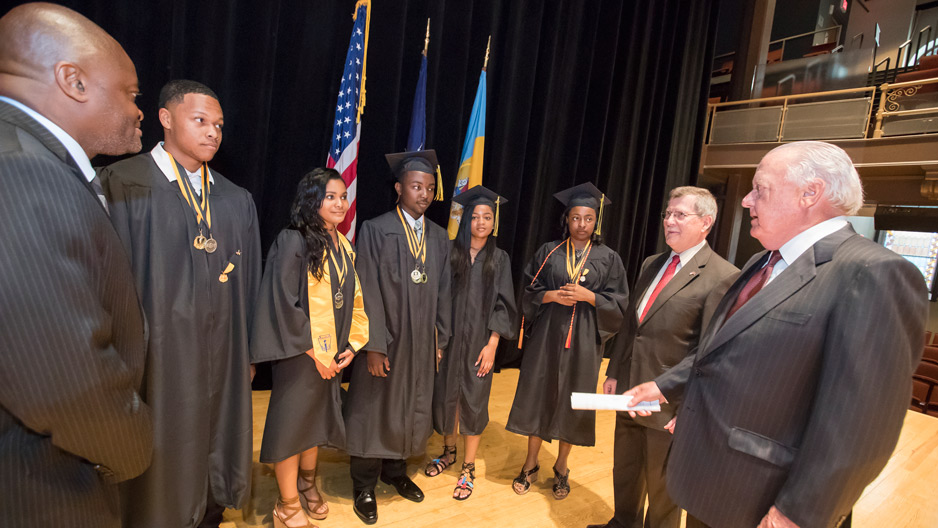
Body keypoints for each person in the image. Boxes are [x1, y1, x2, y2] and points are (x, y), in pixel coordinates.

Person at [625, 141, 928, 528]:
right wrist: (665, 386)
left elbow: (862, 423)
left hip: (767, 501)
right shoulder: (760, 261)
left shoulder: (872, 273)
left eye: (760, 189)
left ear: (810, 193)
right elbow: (720, 350)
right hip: (709, 481)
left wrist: (801, 511)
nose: (747, 200)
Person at [0, 3, 152, 527]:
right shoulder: (20, 170)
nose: (139, 110)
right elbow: (61, 380)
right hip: (37, 488)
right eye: (131, 93)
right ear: (74, 81)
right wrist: (131, 450)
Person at [100, 80, 261, 528]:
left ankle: (209, 512)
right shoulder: (123, 185)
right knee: (164, 442)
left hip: (223, 353)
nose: (213, 133)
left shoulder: (234, 199)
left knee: (215, 437)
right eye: (201, 121)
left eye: (219, 126)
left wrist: (248, 351)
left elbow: (251, 285)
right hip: (156, 355)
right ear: (166, 119)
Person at [586, 186, 738, 528]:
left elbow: (709, 353)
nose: (669, 221)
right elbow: (631, 325)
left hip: (668, 402)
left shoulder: (723, 276)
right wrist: (614, 372)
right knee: (625, 470)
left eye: (679, 215)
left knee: (663, 488)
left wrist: (686, 408)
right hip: (630, 389)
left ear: (706, 223)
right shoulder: (652, 263)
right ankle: (623, 523)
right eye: (667, 214)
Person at [251, 168, 369, 528]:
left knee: (315, 424)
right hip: (300, 356)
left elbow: (356, 301)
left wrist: (352, 344)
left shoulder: (343, 244)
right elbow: (282, 302)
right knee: (292, 427)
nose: (339, 203)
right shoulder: (293, 240)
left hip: (331, 356)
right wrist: (314, 351)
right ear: (311, 200)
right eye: (330, 196)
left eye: (343, 196)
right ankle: (286, 504)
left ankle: (307, 483)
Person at [343, 149, 451, 525]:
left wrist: (440, 340)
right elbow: (366, 288)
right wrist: (374, 344)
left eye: (430, 188)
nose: (424, 193)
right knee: (375, 407)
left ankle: (395, 470)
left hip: (422, 341)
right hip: (385, 341)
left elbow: (445, 293)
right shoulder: (376, 229)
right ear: (398, 188)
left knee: (412, 402)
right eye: (416, 186)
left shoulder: (439, 237)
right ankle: (364, 484)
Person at [506, 182, 628, 501]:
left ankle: (561, 467)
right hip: (547, 336)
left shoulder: (609, 258)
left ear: (596, 221)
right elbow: (528, 291)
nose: (582, 224)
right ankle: (531, 464)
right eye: (576, 218)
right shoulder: (550, 252)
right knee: (538, 395)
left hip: (585, 339)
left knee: (574, 400)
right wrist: (551, 295)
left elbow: (620, 303)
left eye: (588, 218)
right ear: (567, 219)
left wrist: (590, 297)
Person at [426, 186, 518, 500]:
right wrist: (438, 343)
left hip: (481, 344)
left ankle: (468, 467)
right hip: (449, 342)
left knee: (474, 403)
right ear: (466, 220)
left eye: (487, 217)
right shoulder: (450, 252)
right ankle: (448, 451)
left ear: (494, 222)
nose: (481, 222)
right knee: (448, 398)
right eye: (475, 216)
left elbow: (503, 305)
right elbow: (438, 300)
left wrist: (493, 344)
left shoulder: (500, 259)